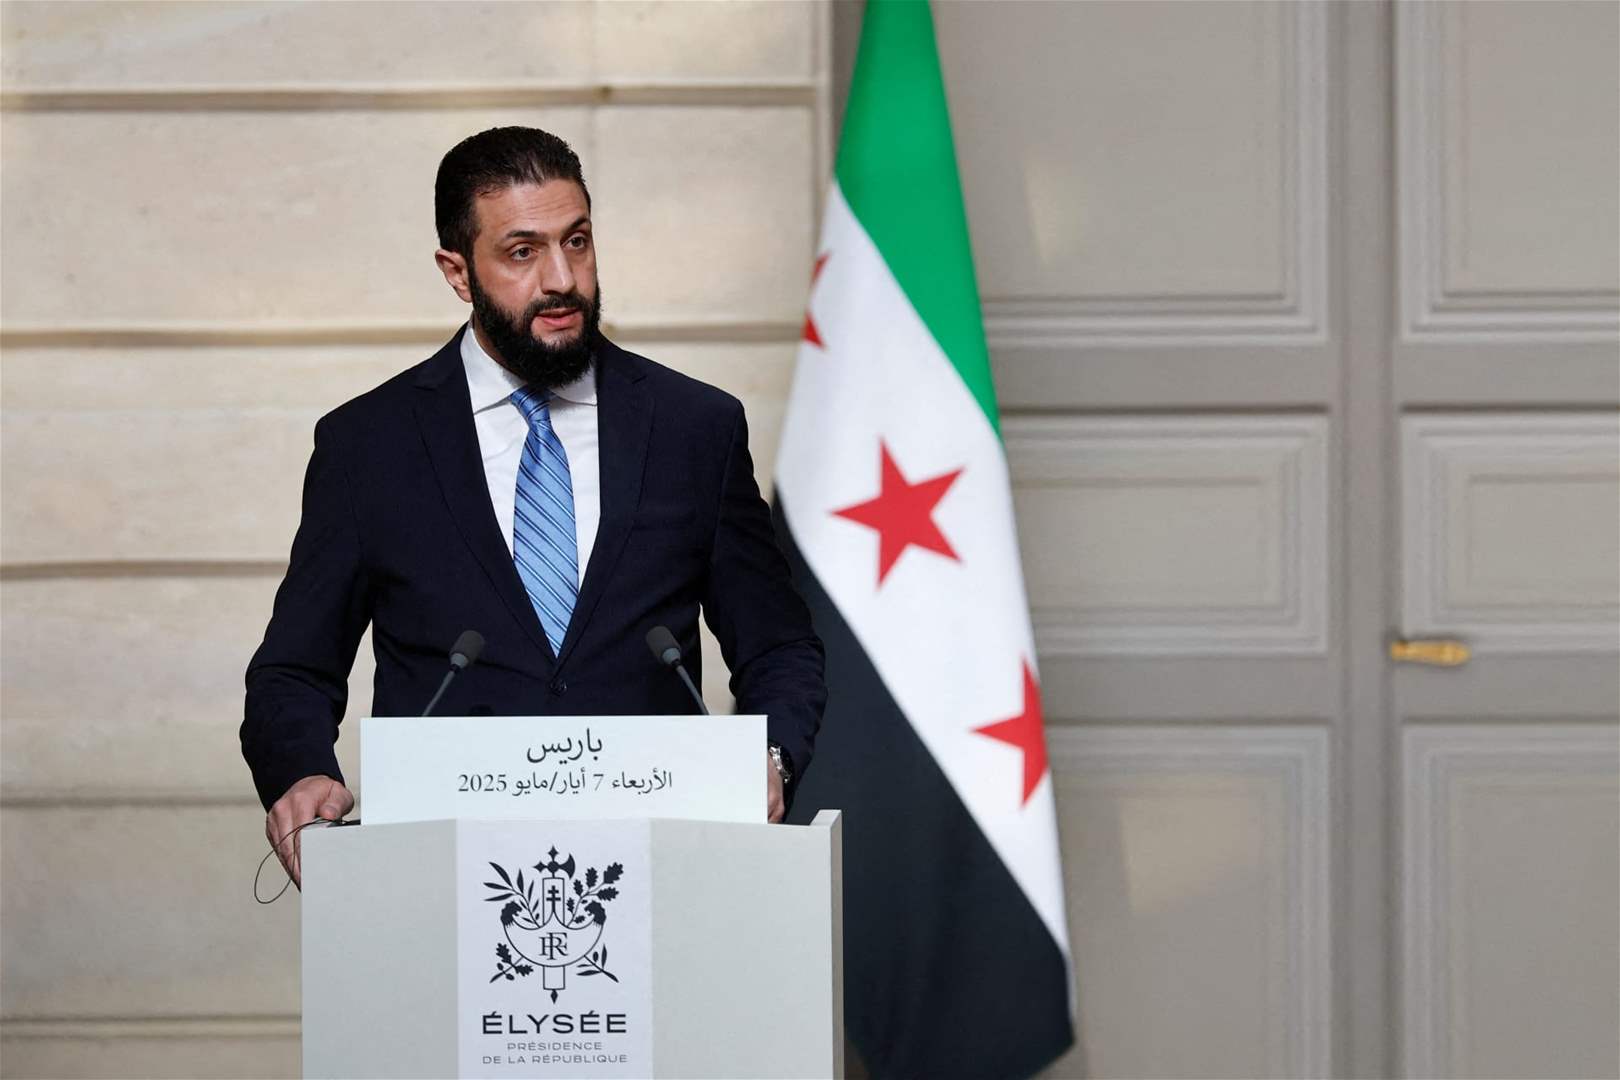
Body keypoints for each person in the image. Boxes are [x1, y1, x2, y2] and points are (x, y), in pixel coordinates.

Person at [242, 126, 825, 884]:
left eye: (576, 242)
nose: (562, 279)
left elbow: (778, 646)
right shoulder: (367, 446)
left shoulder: (694, 428)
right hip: (438, 878)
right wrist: (300, 772)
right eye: (522, 252)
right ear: (458, 272)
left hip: (670, 870)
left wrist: (771, 755)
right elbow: (293, 670)